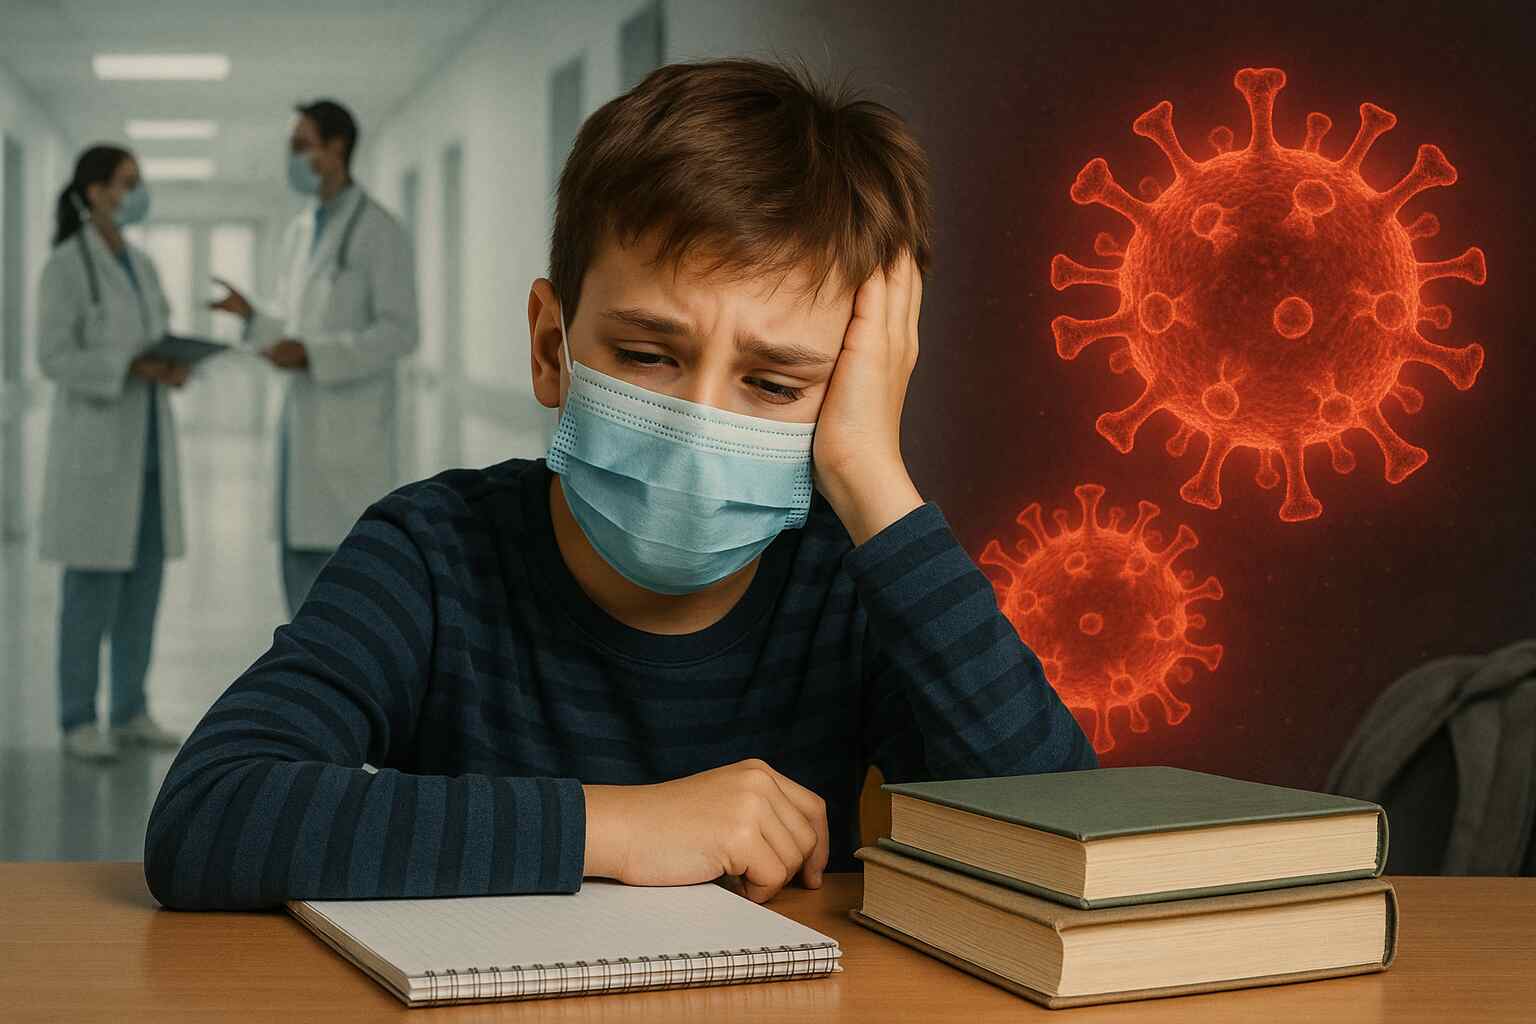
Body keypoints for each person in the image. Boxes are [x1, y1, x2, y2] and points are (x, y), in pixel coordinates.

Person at [145, 59, 1096, 911]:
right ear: (549, 348)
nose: (698, 426)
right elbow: (210, 812)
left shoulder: (846, 587)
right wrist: (622, 828)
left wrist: (875, 478)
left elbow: (1074, 844)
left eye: (773, 383)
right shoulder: (431, 553)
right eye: (647, 355)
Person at [208, 99, 418, 618]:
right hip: (299, 444)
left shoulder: (379, 230)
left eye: (301, 146)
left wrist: (316, 354)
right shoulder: (302, 230)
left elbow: (401, 332)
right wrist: (252, 316)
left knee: (346, 610)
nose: (292, 158)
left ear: (336, 148)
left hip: (350, 449)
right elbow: (295, 324)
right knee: (300, 608)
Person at [37, 145, 189, 761]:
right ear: (95, 190)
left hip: (150, 451)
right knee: (91, 591)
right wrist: (127, 365)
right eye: (128, 182)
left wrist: (173, 365)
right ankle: (77, 717)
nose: (137, 192)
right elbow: (53, 357)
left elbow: (154, 337)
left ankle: (130, 709)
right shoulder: (66, 266)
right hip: (97, 454)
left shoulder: (142, 265)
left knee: (143, 588)